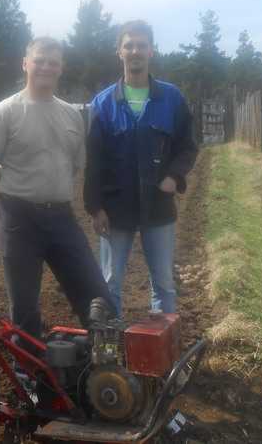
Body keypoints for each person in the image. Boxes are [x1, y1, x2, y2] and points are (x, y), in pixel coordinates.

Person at [0, 37, 113, 345]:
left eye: (53, 62)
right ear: (25, 63)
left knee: (94, 293)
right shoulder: (3, 113)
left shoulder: (71, 116)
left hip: (62, 217)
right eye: (39, 60)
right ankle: (31, 377)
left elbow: (74, 165)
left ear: (61, 68)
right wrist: (12, 197)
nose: (46, 67)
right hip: (19, 220)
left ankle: (105, 362)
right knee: (24, 305)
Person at [84, 20, 198, 316]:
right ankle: (113, 348)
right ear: (119, 52)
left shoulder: (171, 99)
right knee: (110, 283)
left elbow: (188, 145)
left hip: (158, 207)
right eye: (129, 45)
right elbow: (93, 160)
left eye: (141, 45)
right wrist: (95, 207)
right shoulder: (103, 103)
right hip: (115, 207)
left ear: (152, 51)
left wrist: (174, 176)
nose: (135, 51)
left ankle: (162, 352)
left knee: (163, 283)